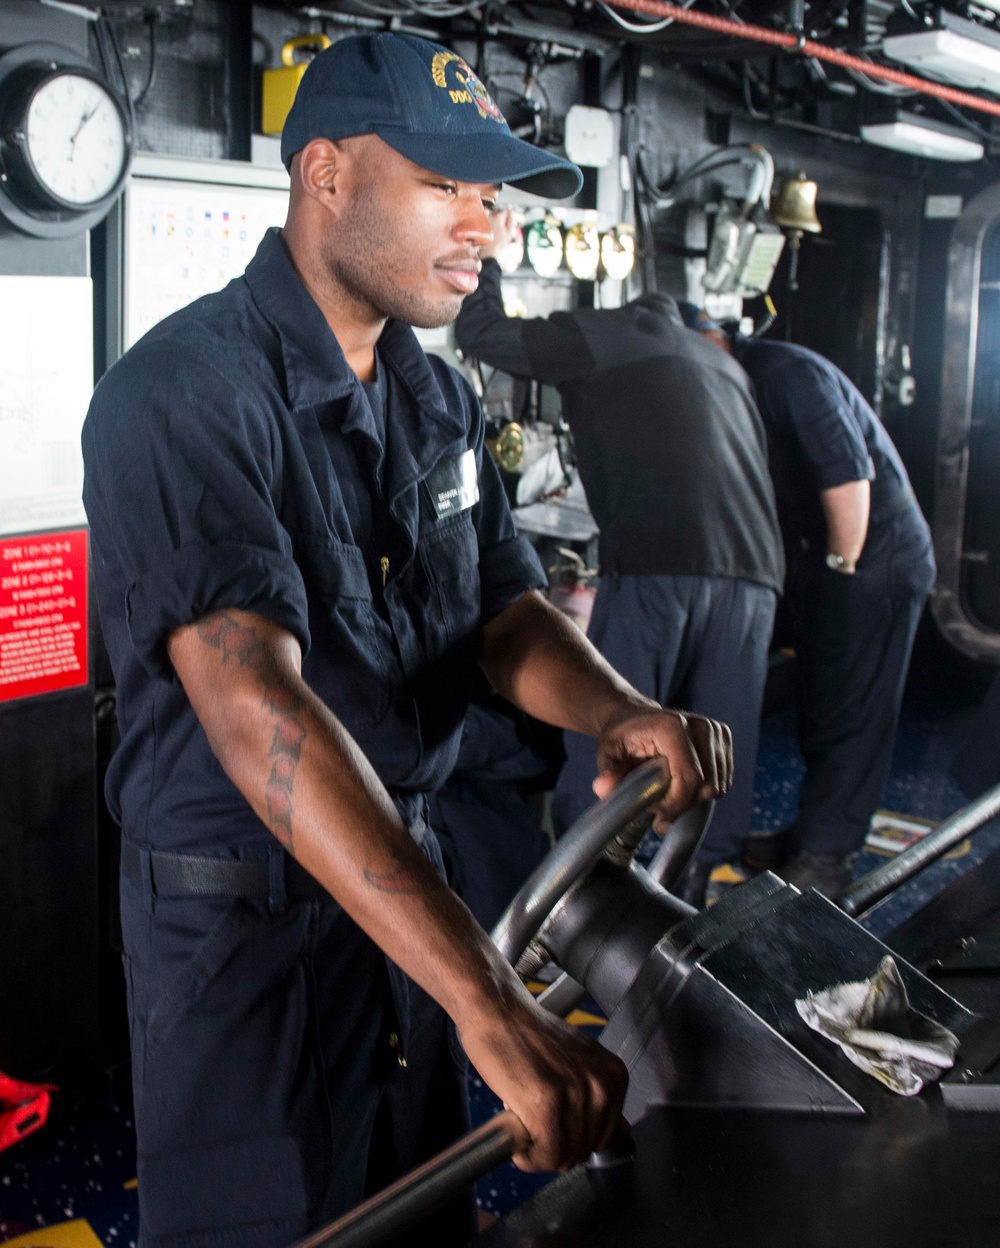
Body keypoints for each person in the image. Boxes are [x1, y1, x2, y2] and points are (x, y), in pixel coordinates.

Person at [82, 34, 734, 1248]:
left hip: (410, 908)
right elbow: (253, 709)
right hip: (253, 946)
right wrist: (490, 1006)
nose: (482, 223)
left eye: (487, 194)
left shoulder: (430, 395)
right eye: (445, 186)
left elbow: (503, 612)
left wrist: (613, 710)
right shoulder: (184, 395)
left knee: (417, 1215)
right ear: (325, 173)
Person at [455, 213, 783, 906]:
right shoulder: (722, 362)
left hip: (662, 559)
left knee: (615, 729)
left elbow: (479, 333)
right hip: (757, 572)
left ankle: (575, 917)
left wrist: (485, 253)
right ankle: (707, 911)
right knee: (715, 749)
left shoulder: (605, 334)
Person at [686, 308, 935, 900]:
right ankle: (811, 834)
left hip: (871, 560)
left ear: (715, 340)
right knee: (824, 703)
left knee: (853, 708)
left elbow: (847, 477)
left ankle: (826, 859)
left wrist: (840, 573)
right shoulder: (735, 386)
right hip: (822, 561)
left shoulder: (788, 376)